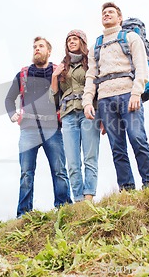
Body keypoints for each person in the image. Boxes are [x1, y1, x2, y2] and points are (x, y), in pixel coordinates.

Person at [82, 2, 149, 191]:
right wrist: (87, 102)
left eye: (111, 12)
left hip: (128, 95)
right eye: (104, 13)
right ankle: (126, 188)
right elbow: (91, 76)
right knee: (117, 147)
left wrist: (136, 93)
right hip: (105, 101)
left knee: (137, 138)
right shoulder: (95, 46)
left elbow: (141, 67)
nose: (106, 15)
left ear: (119, 18)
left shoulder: (131, 37)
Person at [5, 36, 72, 218]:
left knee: (59, 170)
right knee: (26, 173)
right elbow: (9, 99)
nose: (37, 49)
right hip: (28, 129)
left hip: (52, 128)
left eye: (41, 46)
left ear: (49, 51)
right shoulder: (23, 74)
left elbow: (67, 95)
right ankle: (24, 215)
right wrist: (13, 115)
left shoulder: (58, 71)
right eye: (34, 46)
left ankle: (64, 209)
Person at [51, 29, 101, 202]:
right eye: (68, 40)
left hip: (89, 112)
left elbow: (98, 90)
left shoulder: (91, 62)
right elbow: (53, 98)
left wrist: (102, 116)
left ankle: (89, 198)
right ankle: (79, 200)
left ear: (82, 42)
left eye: (75, 39)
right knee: (72, 162)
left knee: (90, 157)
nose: (71, 42)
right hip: (68, 115)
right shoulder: (62, 66)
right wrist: (54, 76)